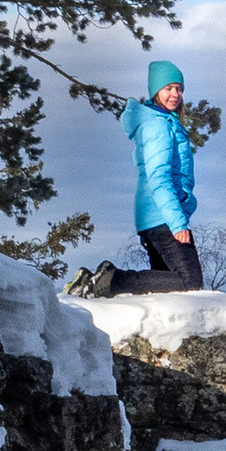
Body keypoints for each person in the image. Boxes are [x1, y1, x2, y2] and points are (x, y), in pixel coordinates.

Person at [81, 62, 203, 297]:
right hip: (162, 216)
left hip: (156, 215)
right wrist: (177, 223)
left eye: (179, 88)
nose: (175, 95)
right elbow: (159, 177)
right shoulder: (157, 125)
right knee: (189, 283)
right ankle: (111, 280)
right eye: (168, 88)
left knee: (168, 292)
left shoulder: (164, 122)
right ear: (156, 91)